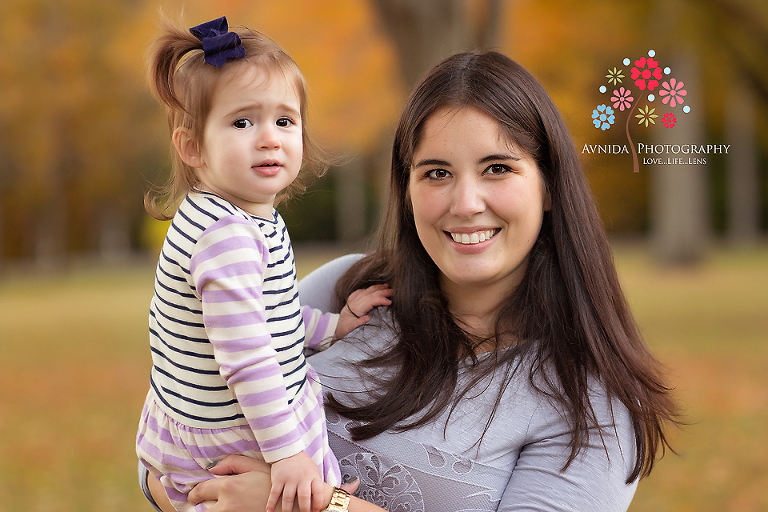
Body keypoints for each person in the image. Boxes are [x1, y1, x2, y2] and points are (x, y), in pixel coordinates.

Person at [141, 50, 678, 512]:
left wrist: (320, 505)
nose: (466, 204)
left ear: (549, 184)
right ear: (407, 189)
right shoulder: (345, 292)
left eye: (498, 168)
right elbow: (181, 421)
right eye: (437, 173)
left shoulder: (591, 409)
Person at [135, 16, 392, 512]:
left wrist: (334, 326)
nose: (269, 138)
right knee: (297, 494)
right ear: (192, 148)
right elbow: (249, 359)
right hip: (237, 437)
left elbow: (271, 320)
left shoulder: (243, 217)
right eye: (242, 122)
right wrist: (290, 454)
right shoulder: (226, 235)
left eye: (284, 120)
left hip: (202, 421)